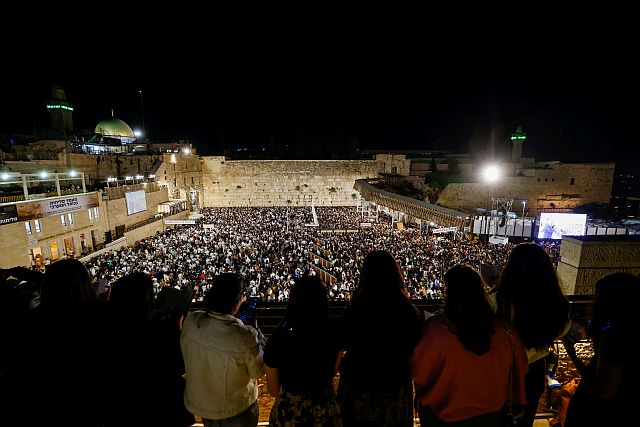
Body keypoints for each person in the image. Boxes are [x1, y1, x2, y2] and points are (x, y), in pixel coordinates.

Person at [412, 265, 528, 426]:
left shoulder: (435, 330)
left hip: (442, 416)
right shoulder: (505, 330)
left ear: (450, 293)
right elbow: (520, 367)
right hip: (490, 416)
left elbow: (419, 371)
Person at [336, 250, 422, 427]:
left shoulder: (355, 310)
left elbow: (338, 345)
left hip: (358, 386)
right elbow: (417, 356)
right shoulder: (408, 311)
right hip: (396, 388)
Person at [492, 243, 570, 427]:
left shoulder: (498, 301)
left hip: (501, 370)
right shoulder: (559, 304)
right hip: (534, 371)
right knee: (525, 419)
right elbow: (563, 330)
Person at [181, 273, 265, 427]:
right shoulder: (245, 336)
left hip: (203, 405)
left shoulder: (191, 321)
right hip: (238, 409)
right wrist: (256, 331)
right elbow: (258, 372)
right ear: (235, 304)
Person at [562, 272, 640, 426]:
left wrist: (573, 355)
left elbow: (605, 390)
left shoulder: (616, 340)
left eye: (597, 297)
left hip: (596, 414)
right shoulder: (627, 331)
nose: (593, 302)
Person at [264, 275, 342, 426]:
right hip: (325, 410)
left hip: (290, 412)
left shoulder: (278, 340)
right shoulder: (334, 335)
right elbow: (331, 374)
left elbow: (273, 390)